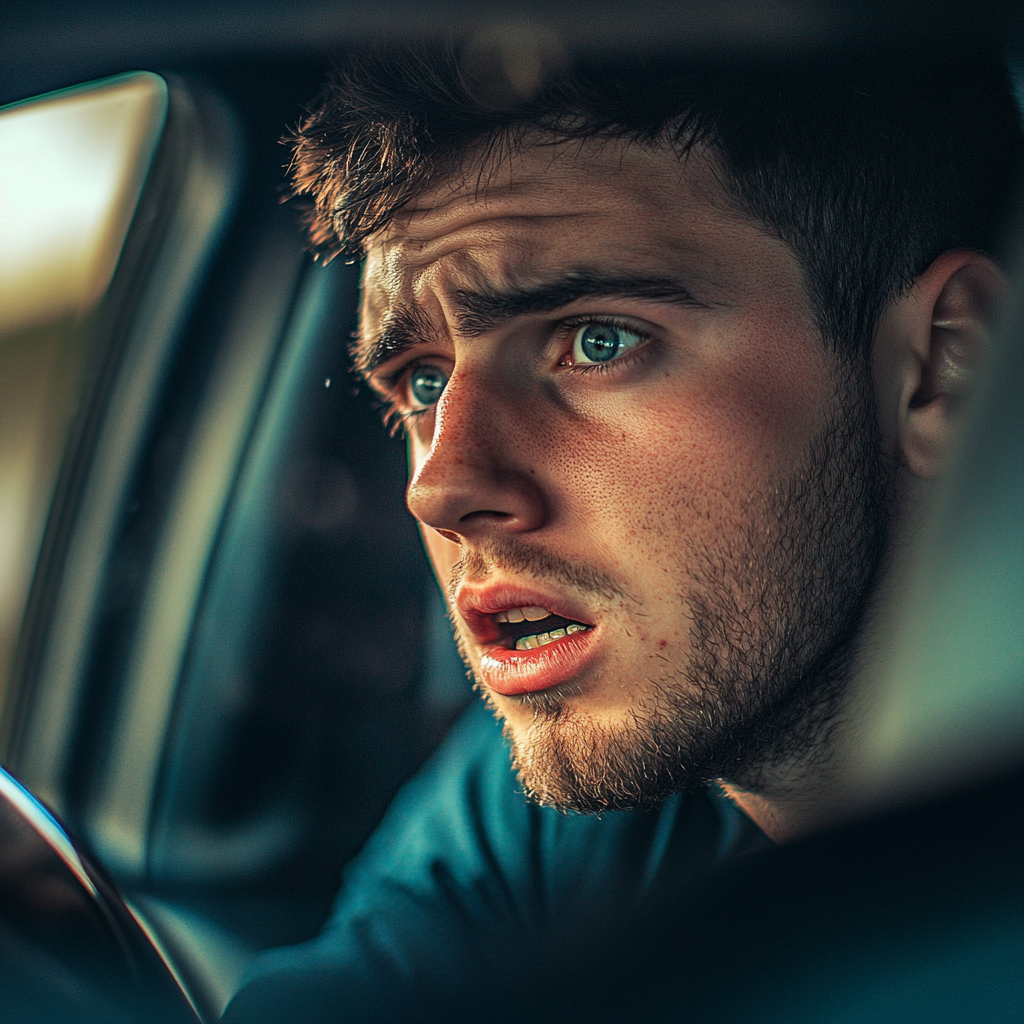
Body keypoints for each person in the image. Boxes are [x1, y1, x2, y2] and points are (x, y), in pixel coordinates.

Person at [224, 43, 1024, 1022]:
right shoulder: (531, 811)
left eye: (597, 340)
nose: (439, 487)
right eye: (422, 384)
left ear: (942, 367)